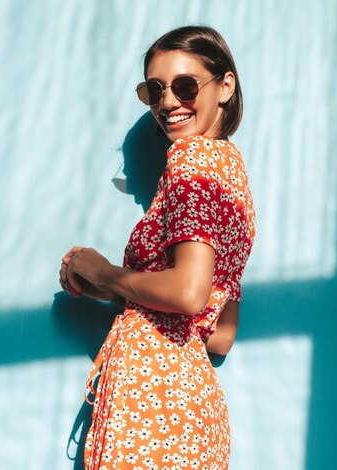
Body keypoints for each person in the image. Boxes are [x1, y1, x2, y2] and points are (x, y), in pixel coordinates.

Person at [59, 25, 255, 469]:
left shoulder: (193, 161)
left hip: (153, 400)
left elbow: (188, 293)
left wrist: (105, 270)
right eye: (155, 90)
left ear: (225, 86)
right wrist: (114, 292)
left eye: (185, 87)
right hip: (192, 405)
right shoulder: (234, 174)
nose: (168, 103)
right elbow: (220, 336)